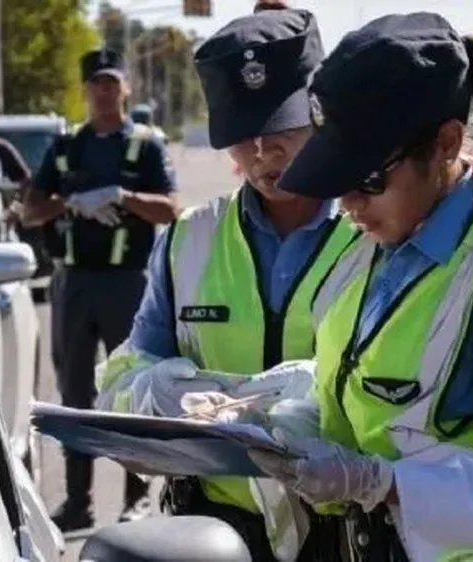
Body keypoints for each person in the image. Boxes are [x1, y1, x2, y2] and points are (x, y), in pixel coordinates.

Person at [244, 12, 473, 561]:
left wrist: (382, 483)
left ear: (444, 144)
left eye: (367, 179)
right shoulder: (367, 244)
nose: (348, 204)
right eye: (338, 179)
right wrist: (294, 418)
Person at [94, 4, 358, 560]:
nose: (263, 153)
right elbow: (129, 367)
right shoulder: (189, 239)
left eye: (281, 126)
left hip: (349, 525)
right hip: (213, 533)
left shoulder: (377, 230)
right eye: (243, 135)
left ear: (319, 112)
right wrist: (150, 392)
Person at [21, 46, 182, 531]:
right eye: (97, 83)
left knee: (129, 386)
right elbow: (30, 210)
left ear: (125, 88)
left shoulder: (146, 146)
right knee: (74, 391)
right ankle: (77, 502)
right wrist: (72, 201)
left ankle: (137, 496)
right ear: (86, 89)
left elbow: (170, 208)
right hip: (74, 284)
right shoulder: (67, 146)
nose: (105, 91)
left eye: (113, 82)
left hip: (127, 285)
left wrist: (121, 197)